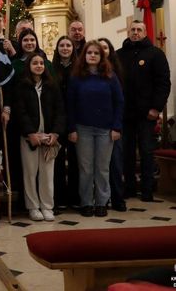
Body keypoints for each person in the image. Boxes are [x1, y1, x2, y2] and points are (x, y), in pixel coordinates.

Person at [68, 40, 124, 217]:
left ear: (101, 57)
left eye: (96, 53)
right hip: (82, 128)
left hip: (105, 130)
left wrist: (116, 127)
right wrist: (72, 129)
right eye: (89, 52)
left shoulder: (110, 76)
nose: (92, 55)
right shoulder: (76, 77)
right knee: (85, 168)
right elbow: (70, 105)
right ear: (84, 56)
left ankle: (101, 202)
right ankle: (86, 202)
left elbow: (119, 102)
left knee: (102, 167)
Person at [117, 20, 171, 202]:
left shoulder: (155, 54)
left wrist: (156, 108)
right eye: (132, 30)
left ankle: (147, 189)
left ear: (145, 32)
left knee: (147, 152)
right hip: (126, 114)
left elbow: (163, 83)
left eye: (139, 30)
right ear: (128, 32)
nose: (135, 32)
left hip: (147, 114)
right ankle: (130, 187)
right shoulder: (119, 55)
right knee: (127, 152)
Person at [15, 54, 65, 221]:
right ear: (29, 66)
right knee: (30, 173)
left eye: (41, 63)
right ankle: (33, 207)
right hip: (30, 137)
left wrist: (55, 133)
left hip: (49, 136)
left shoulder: (52, 85)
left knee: (47, 173)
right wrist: (30, 133)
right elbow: (20, 112)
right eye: (35, 63)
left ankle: (47, 206)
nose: (38, 66)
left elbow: (60, 111)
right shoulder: (22, 86)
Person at [51, 35, 80, 210]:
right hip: (57, 119)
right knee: (58, 161)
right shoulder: (51, 68)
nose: (65, 48)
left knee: (76, 161)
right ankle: (59, 197)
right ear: (57, 49)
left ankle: (75, 197)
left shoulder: (79, 69)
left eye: (68, 45)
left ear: (73, 48)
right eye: (61, 45)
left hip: (75, 118)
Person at [98, 37, 127, 212]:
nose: (102, 51)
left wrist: (116, 126)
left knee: (115, 163)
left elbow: (120, 100)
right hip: (95, 125)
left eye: (105, 48)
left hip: (113, 124)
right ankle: (102, 199)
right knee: (100, 165)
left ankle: (118, 197)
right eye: (98, 48)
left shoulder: (116, 72)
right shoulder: (90, 71)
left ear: (110, 50)